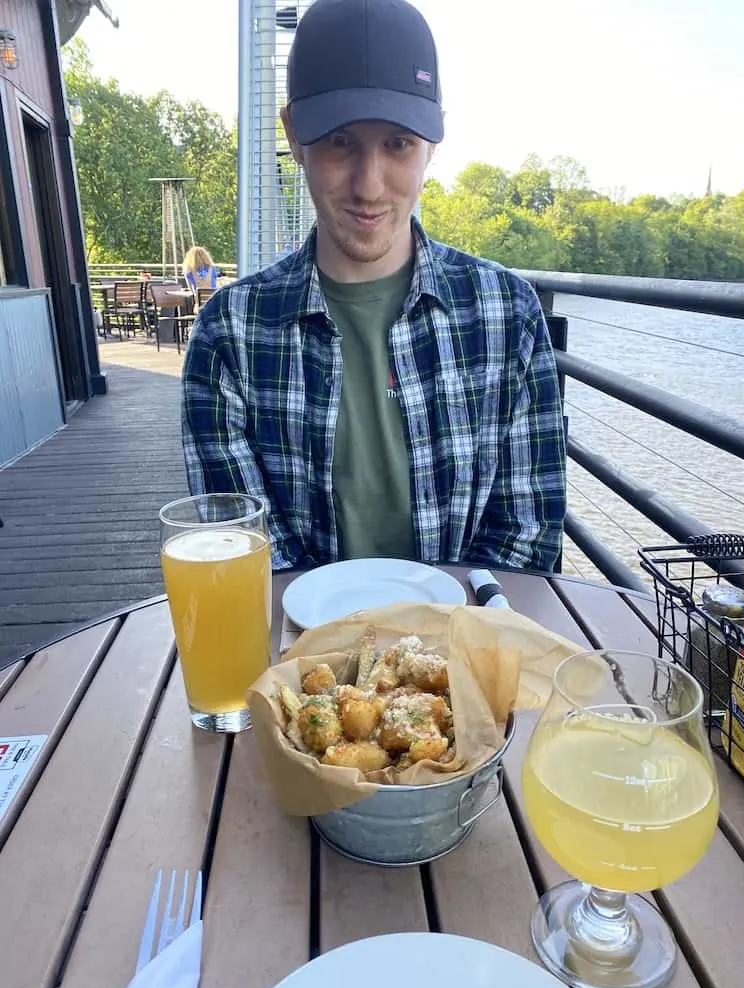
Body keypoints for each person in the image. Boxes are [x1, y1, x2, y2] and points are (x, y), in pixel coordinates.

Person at [181, 0, 566, 572]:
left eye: (398, 144)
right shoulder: (227, 336)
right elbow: (251, 556)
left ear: (432, 143)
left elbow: (526, 541)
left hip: (465, 647)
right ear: (293, 134)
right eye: (339, 141)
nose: (369, 185)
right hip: (299, 652)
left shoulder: (510, 315)